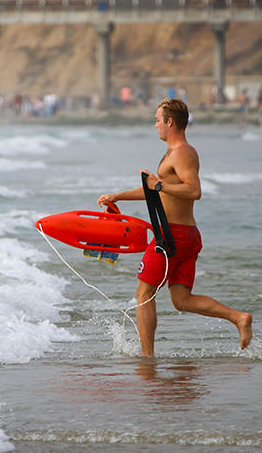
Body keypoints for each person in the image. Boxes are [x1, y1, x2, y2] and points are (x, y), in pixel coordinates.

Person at [97, 98, 253, 357]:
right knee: (181, 300)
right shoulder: (179, 152)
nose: (155, 125)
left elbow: (194, 190)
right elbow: (157, 189)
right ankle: (238, 318)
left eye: (158, 120)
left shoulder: (180, 152)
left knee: (144, 293)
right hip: (186, 235)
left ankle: (147, 358)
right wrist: (118, 196)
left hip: (172, 237)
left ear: (170, 122)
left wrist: (159, 185)